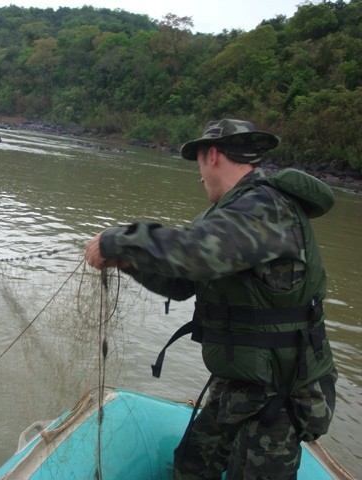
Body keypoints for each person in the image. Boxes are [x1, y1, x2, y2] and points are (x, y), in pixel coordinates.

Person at [85, 119, 337, 479]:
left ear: (213, 156)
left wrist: (119, 240)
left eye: (199, 163)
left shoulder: (266, 206)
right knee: (193, 462)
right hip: (241, 379)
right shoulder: (230, 216)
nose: (199, 176)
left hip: (281, 390)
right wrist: (126, 261)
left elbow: (196, 253)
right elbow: (183, 282)